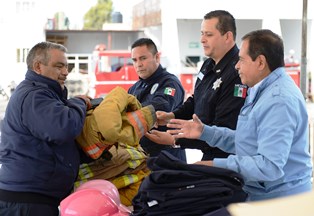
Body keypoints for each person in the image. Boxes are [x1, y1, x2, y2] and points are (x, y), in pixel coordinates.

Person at [166, 29, 313, 201]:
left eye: (241, 60)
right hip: (261, 193)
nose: (236, 66)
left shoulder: (278, 100)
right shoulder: (262, 90)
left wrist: (215, 165)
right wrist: (205, 132)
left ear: (260, 62)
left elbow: (269, 166)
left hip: (279, 200)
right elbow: (249, 142)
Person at [0, 41, 92, 215]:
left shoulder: (45, 94)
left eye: (67, 67)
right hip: (27, 202)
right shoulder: (35, 96)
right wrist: (78, 102)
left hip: (33, 198)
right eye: (59, 66)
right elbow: (64, 127)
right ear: (38, 67)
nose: (65, 72)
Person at [146, 10, 246, 160]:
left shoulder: (238, 71)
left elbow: (224, 131)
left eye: (209, 34)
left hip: (228, 159)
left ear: (228, 36)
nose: (202, 40)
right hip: (209, 153)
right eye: (202, 33)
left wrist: (175, 140)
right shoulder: (207, 65)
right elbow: (197, 100)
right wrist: (171, 116)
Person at [128, 38, 186, 161]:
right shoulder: (134, 87)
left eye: (143, 58)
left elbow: (161, 106)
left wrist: (128, 110)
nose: (138, 64)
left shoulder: (170, 83)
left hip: (168, 159)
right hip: (142, 158)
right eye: (135, 60)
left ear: (157, 57)